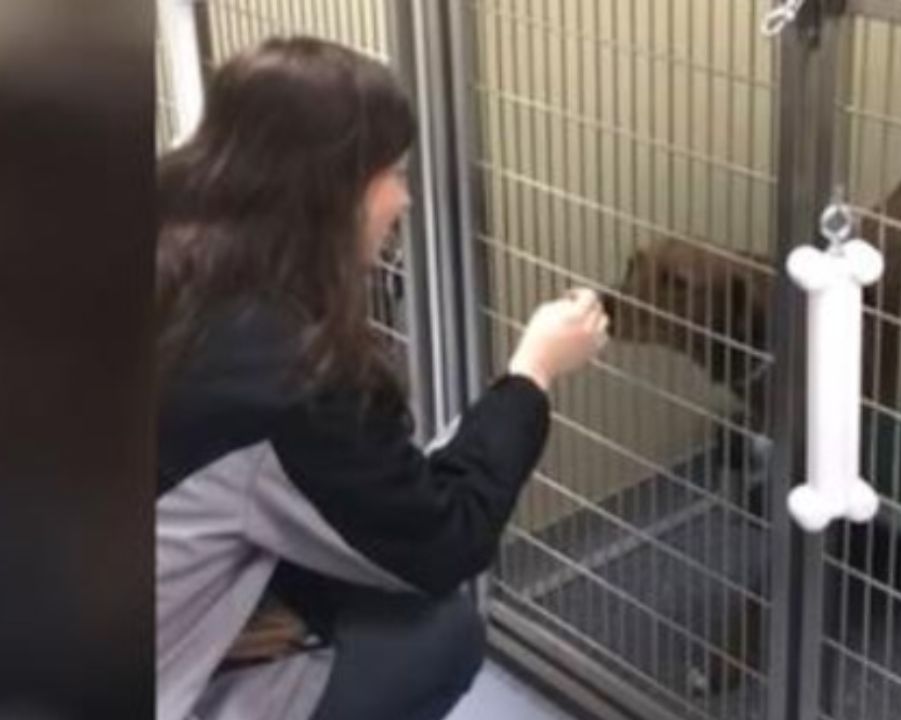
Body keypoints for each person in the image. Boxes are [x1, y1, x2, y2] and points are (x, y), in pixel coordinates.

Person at [155, 37, 608, 720]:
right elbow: (443, 539)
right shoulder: (284, 377)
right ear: (329, 191)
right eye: (392, 173)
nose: (405, 199)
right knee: (437, 635)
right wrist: (533, 372)